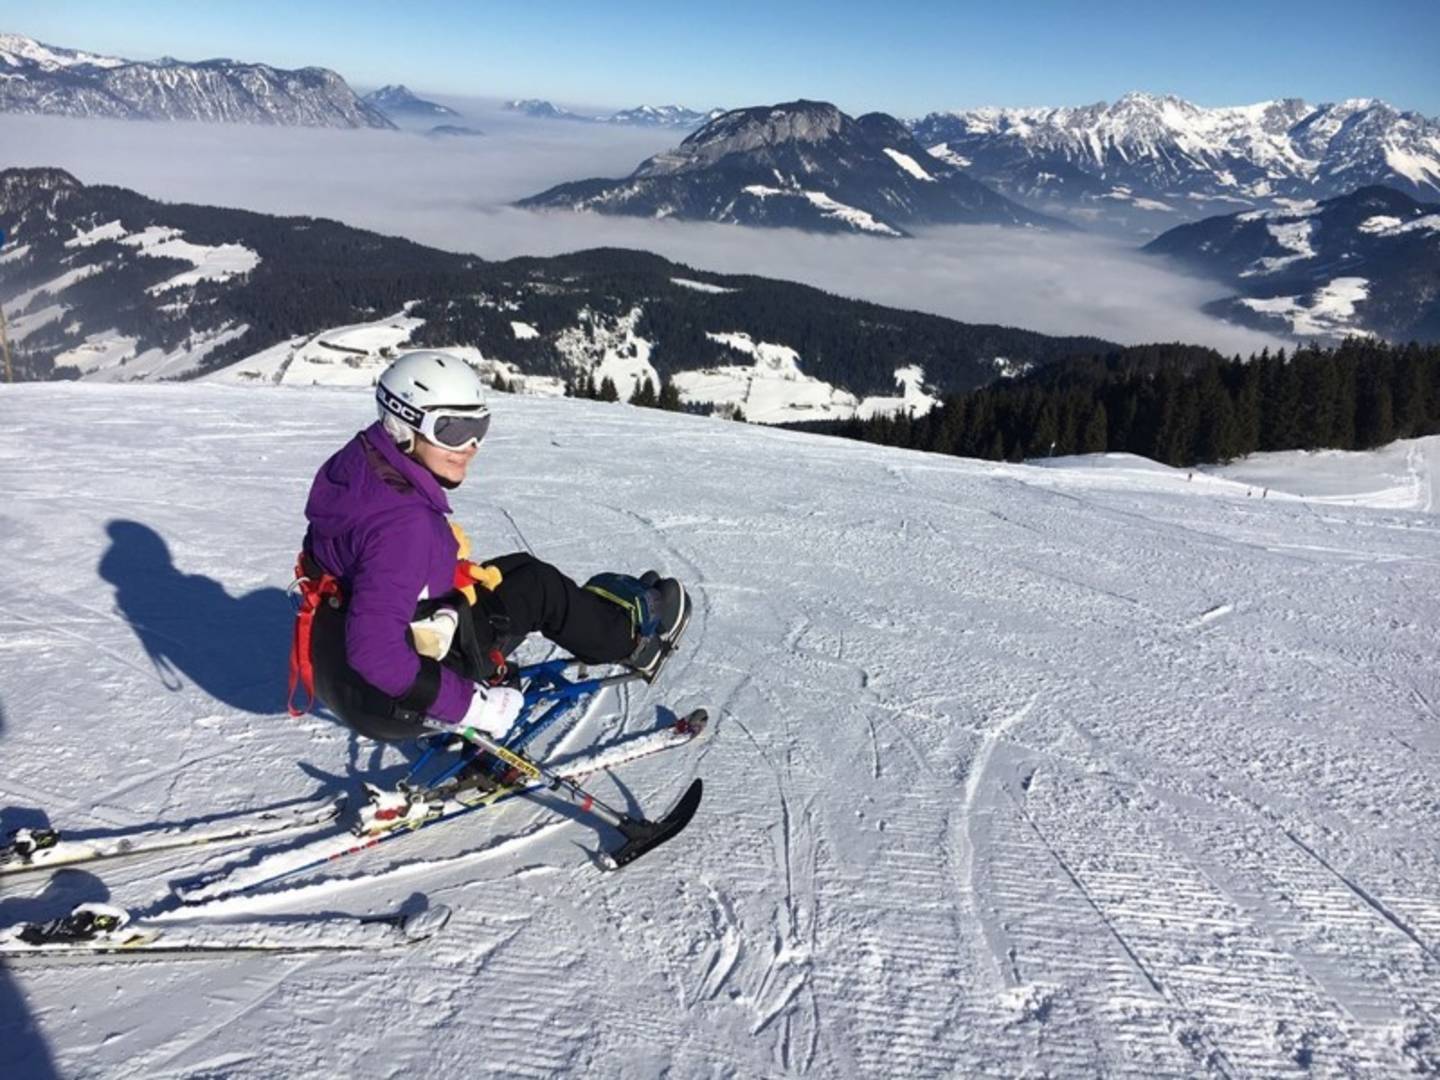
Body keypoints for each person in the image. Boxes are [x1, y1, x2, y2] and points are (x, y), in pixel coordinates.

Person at [288, 350, 689, 745]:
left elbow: (363, 561)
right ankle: (633, 641)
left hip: (332, 664)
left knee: (515, 571)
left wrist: (433, 565)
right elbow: (376, 653)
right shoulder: (404, 527)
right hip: (388, 701)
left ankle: (598, 622)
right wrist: (474, 707)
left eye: (480, 426)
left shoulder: (357, 464)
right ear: (402, 425)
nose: (472, 445)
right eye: (452, 430)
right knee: (538, 588)